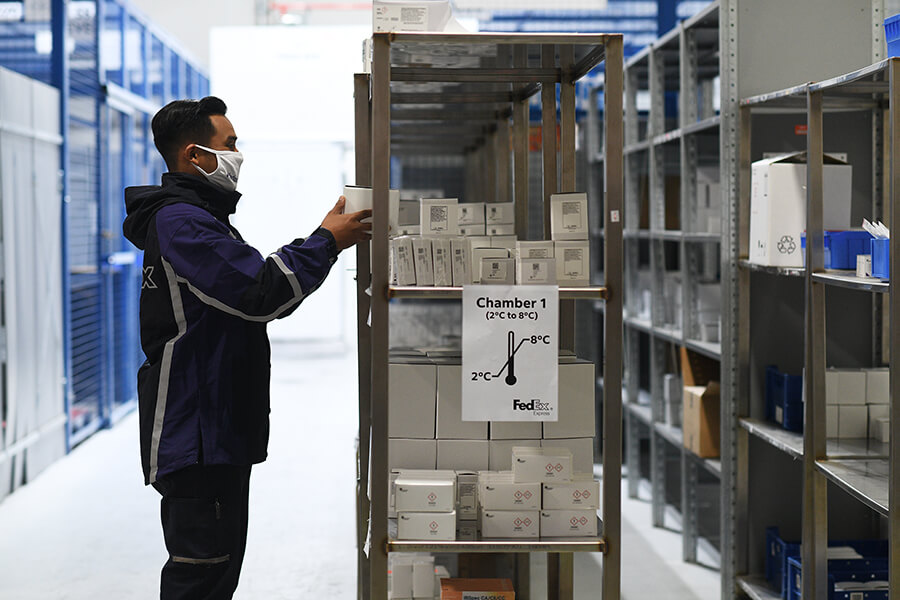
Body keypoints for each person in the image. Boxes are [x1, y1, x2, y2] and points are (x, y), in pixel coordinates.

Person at [122, 96, 371, 600]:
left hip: (214, 426)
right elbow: (258, 291)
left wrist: (325, 239)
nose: (238, 154)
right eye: (229, 144)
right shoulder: (182, 222)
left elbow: (250, 294)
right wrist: (326, 240)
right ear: (195, 156)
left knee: (217, 569)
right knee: (202, 573)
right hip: (198, 432)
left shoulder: (198, 218)